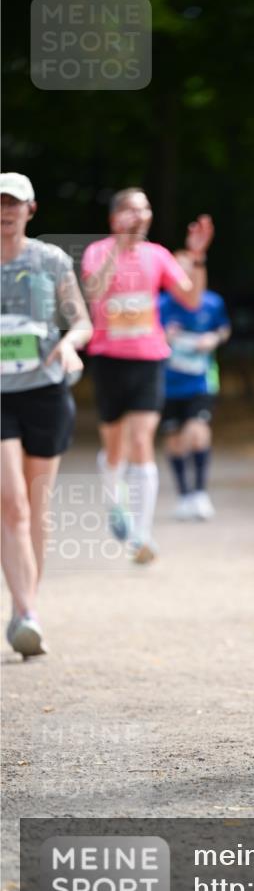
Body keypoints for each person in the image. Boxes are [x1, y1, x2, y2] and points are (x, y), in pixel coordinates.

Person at [81, 189, 214, 563]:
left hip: (149, 359)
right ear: (114, 218)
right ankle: (115, 504)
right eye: (129, 209)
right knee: (114, 448)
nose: (139, 214)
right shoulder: (97, 252)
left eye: (144, 208)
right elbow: (93, 292)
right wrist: (118, 248)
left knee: (141, 441)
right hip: (109, 358)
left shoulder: (158, 255)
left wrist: (198, 258)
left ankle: (142, 535)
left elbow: (191, 299)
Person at [1, 172, 92, 657]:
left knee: (37, 506)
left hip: (45, 392)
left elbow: (80, 320)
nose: (5, 211)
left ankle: (26, 608)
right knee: (10, 502)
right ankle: (26, 611)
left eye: (14, 203)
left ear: (30, 209)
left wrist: (69, 346)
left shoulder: (50, 260)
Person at [159, 251, 231, 520]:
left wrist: (213, 338)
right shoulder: (161, 305)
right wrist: (163, 337)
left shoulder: (212, 303)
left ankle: (200, 493)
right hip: (167, 385)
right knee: (175, 440)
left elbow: (224, 328)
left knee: (197, 432)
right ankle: (184, 495)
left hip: (201, 381)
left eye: (188, 271)